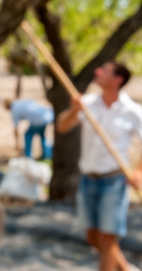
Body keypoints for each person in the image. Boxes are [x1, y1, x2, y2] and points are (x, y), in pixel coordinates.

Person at [57, 61, 142, 271]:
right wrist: (73, 110)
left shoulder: (132, 110)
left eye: (104, 71)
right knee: (92, 236)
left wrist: (138, 171)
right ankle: (126, 269)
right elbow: (62, 126)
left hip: (113, 180)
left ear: (117, 80)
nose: (98, 72)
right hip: (87, 178)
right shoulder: (87, 103)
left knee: (107, 238)